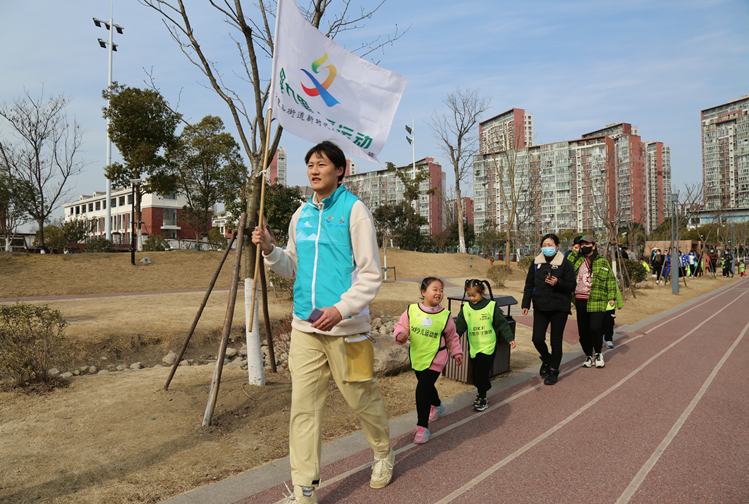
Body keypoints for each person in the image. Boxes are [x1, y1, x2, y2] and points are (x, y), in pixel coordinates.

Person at [252, 141, 393, 504]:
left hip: (348, 331)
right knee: (304, 409)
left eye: (322, 164)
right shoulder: (300, 215)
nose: (314, 170)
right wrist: (270, 250)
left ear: (341, 169)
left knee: (361, 398)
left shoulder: (354, 211)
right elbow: (293, 266)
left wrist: (341, 309)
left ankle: (382, 452)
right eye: (310, 164)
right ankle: (305, 490)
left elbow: (370, 274)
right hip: (305, 329)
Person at [393, 277, 464, 444]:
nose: (439, 292)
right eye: (435, 289)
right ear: (423, 292)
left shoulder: (445, 315)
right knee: (427, 386)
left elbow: (452, 337)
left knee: (422, 390)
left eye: (441, 290)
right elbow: (401, 326)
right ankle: (437, 405)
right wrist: (401, 334)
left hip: (437, 357)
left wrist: (457, 353)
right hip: (418, 356)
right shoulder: (411, 310)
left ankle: (422, 427)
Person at [521, 233, 576, 385]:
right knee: (537, 338)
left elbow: (572, 285)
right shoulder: (536, 263)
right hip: (540, 307)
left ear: (557, 246)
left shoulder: (566, 264)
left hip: (560, 308)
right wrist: (525, 304)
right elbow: (529, 284)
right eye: (544, 245)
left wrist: (558, 282)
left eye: (550, 245)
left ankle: (553, 371)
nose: (547, 248)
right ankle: (547, 359)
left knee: (555, 342)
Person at [455, 279, 516, 411]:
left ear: (482, 293)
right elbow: (459, 327)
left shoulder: (491, 306)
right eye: (469, 295)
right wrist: (451, 341)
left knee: (482, 373)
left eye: (474, 295)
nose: (471, 298)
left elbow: (502, 323)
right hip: (474, 347)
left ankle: (482, 397)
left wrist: (509, 338)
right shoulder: (466, 308)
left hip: (488, 346)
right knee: (475, 375)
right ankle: (481, 391)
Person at [567, 236, 619, 368]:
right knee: (583, 331)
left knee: (595, 328)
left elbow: (611, 280)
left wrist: (612, 297)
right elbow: (566, 267)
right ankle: (588, 355)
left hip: (597, 300)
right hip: (580, 300)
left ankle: (598, 353)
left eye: (587, 244)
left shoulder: (602, 261)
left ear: (594, 246)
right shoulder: (577, 260)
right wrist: (574, 252)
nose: (584, 246)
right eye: (582, 244)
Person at [603, 282, 623, 349]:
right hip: (598, 307)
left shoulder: (611, 279)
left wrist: (620, 304)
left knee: (609, 324)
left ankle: (608, 340)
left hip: (610, 307)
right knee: (598, 324)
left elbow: (617, 291)